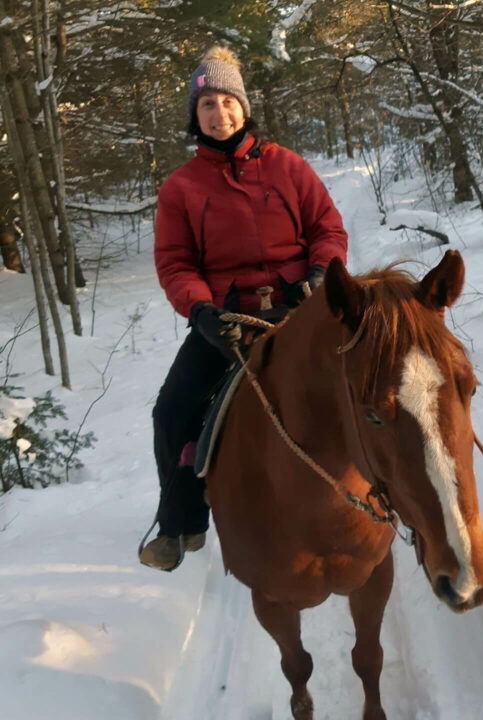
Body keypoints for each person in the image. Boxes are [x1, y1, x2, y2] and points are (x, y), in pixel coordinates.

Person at [140, 46, 348, 571]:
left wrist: (321, 273)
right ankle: (180, 522)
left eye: (226, 100)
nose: (219, 112)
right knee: (171, 411)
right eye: (206, 103)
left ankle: (406, 499)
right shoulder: (181, 188)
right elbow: (175, 262)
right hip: (227, 321)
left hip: (301, 310)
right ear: (196, 116)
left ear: (243, 105)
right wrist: (202, 310)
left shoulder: (288, 166)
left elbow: (327, 228)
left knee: (380, 379)